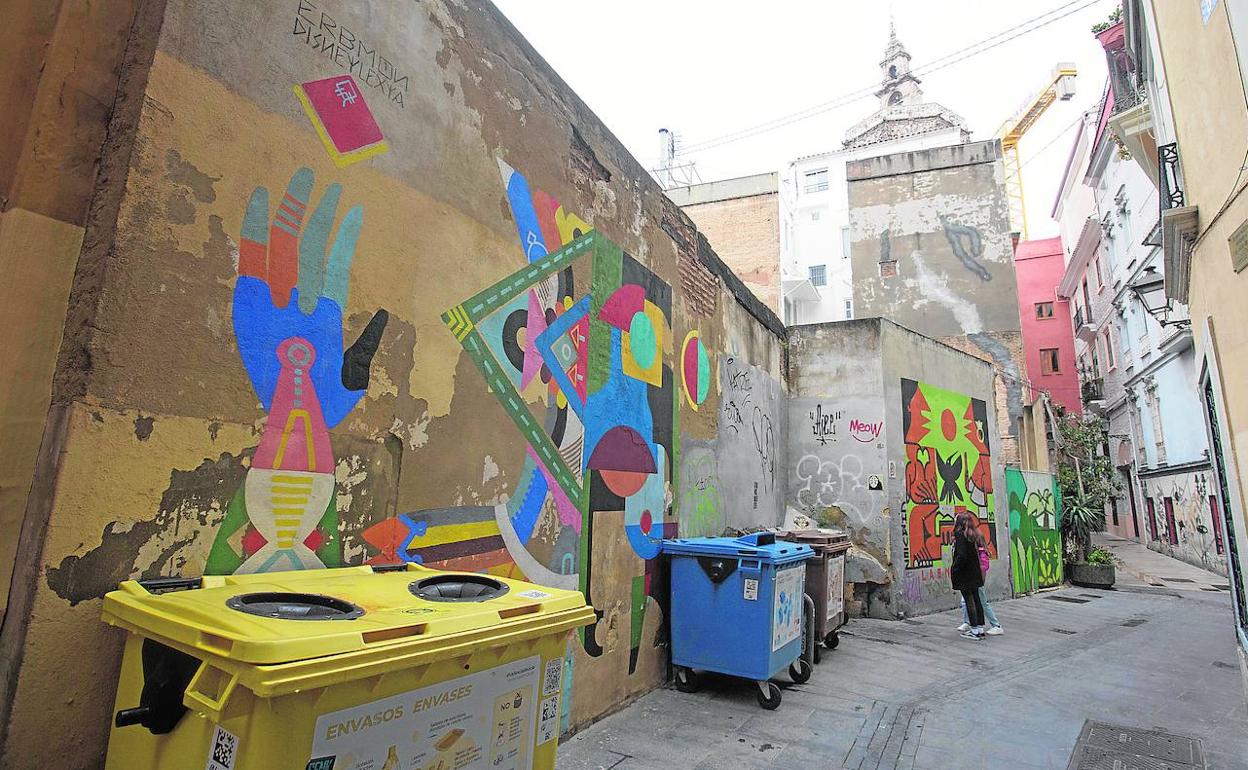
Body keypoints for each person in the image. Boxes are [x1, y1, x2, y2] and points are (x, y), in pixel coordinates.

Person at [956, 526, 1003, 635]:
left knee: (982, 602)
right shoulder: (974, 552)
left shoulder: (981, 553)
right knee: (965, 602)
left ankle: (996, 625)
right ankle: (968, 622)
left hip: (977, 581)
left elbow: (983, 567)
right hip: (972, 580)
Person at [949, 511, 986, 640]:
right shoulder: (974, 534)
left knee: (969, 600)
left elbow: (961, 555)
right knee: (976, 599)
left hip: (965, 573)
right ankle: (980, 627)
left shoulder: (960, 535)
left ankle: (974, 630)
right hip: (974, 572)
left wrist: (955, 568)